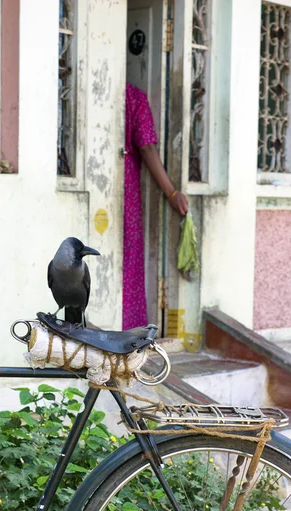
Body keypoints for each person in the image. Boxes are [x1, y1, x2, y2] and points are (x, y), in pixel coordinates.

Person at [123, 82, 189, 330]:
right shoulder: (134, 96)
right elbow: (147, 146)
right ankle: (130, 334)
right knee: (128, 261)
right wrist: (171, 193)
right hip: (126, 193)